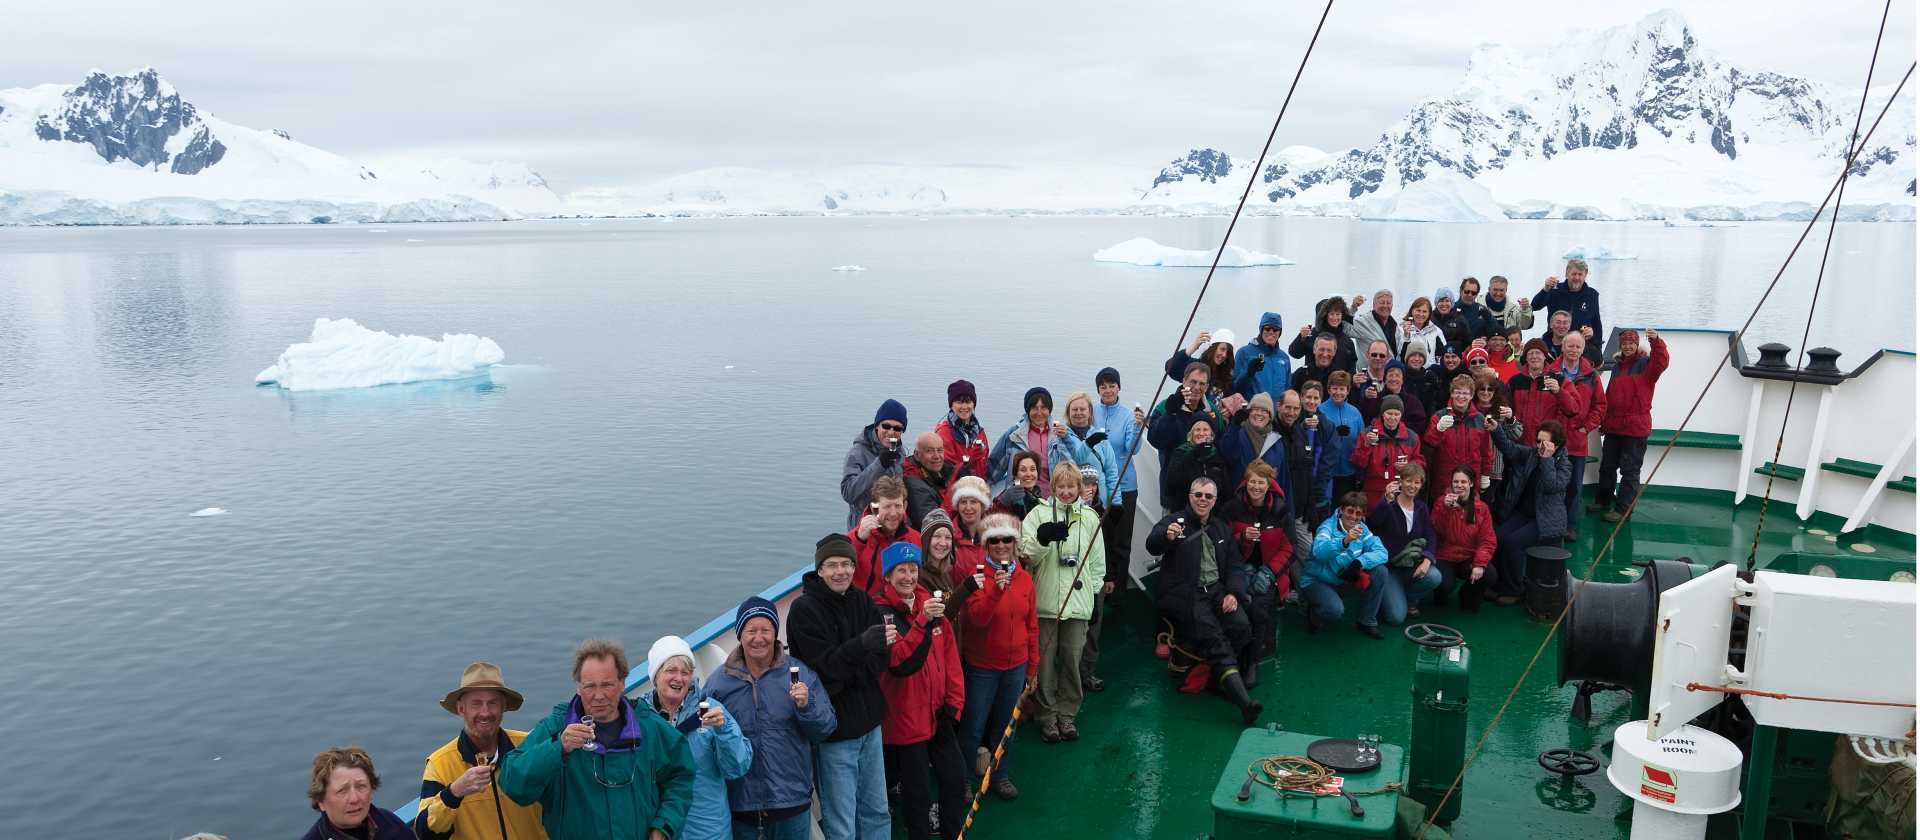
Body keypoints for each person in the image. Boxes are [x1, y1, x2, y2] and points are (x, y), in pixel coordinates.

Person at [498, 641, 694, 840]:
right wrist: (559, 747)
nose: (599, 696)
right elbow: (513, 783)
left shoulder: (651, 729)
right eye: (590, 686)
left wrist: (664, 825)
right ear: (578, 688)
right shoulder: (556, 728)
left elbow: (680, 778)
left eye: (607, 685)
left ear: (622, 683)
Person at [785, 535, 894, 840]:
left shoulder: (862, 601)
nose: (840, 572)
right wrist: (860, 647)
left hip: (870, 725)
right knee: (841, 822)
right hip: (835, 733)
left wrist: (852, 663)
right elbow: (822, 668)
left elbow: (881, 657)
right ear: (819, 570)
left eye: (846, 564)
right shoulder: (804, 611)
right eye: (831, 565)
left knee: (877, 810)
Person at [705, 600, 837, 840]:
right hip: (740, 806)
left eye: (765, 630)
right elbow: (704, 743)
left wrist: (806, 707)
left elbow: (825, 729)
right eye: (751, 631)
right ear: (739, 635)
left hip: (791, 803)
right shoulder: (718, 684)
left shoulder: (800, 674)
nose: (759, 638)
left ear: (775, 633)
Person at [1144, 476, 1263, 724]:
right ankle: (1244, 704)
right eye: (1198, 494)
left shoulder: (1220, 528)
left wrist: (1233, 593)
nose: (1202, 500)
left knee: (1241, 625)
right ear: (1190, 496)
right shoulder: (1174, 522)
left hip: (1217, 590)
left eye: (1208, 496)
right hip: (1186, 593)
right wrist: (1166, 536)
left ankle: (1215, 678)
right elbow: (1152, 544)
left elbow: (1235, 565)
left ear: (1214, 501)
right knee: (1215, 638)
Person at [873, 544, 968, 840]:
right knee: (917, 794)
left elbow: (951, 658)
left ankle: (952, 833)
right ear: (887, 576)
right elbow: (898, 661)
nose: (908, 576)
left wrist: (954, 702)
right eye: (901, 570)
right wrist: (923, 621)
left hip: (938, 712)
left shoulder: (930, 605)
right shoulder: (881, 615)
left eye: (913, 569)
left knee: (955, 779)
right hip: (906, 720)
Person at [1019, 463, 1106, 743]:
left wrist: (1093, 598)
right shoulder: (1037, 515)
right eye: (1061, 487)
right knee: (1044, 665)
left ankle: (1067, 714)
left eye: (1072, 487)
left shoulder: (1091, 517)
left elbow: (1097, 564)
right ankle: (1047, 717)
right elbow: (1025, 556)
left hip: (1078, 604)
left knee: (1071, 660)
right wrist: (1043, 540)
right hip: (1044, 604)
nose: (1067, 492)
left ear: (1080, 488)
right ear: (1053, 488)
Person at [417, 662, 546, 840]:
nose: (485, 713)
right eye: (476, 704)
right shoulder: (440, 763)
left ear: (503, 707)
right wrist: (454, 792)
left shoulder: (529, 746)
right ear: (461, 709)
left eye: (492, 703)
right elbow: (425, 832)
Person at [959, 512, 1038, 801]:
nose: (1001, 545)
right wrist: (996, 591)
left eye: (1007, 539)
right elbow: (977, 620)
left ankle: (999, 775)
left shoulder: (1026, 580)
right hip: (982, 667)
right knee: (973, 726)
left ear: (1015, 544)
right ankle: (964, 779)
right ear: (986, 545)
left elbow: (1031, 625)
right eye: (994, 540)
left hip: (1016, 667)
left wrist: (1033, 667)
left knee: (1007, 726)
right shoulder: (977, 578)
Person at [642, 638, 752, 840]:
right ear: (655, 676)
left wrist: (724, 730)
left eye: (685, 672)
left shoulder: (710, 710)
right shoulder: (640, 718)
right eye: (670, 671)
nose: (679, 678)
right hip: (660, 831)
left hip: (708, 831)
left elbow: (737, 767)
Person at [1219, 461, 1295, 681]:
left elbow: (1289, 548)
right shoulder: (1232, 509)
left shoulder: (1280, 511)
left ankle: (1252, 662)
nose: (1256, 487)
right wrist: (1241, 538)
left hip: (1269, 572)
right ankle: (1236, 654)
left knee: (1260, 608)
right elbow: (1221, 542)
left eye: (1261, 482)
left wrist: (1270, 572)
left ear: (1269, 484)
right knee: (1240, 606)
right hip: (1238, 569)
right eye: (1252, 481)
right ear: (1246, 482)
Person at [1488, 417, 1574, 606]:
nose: (1539, 446)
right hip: (1524, 513)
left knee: (1512, 543)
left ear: (1556, 445)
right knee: (1498, 538)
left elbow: (1552, 486)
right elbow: (1510, 449)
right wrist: (1496, 430)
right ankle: (1502, 583)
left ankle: (1515, 589)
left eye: (1544, 442)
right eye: (1537, 441)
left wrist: (1547, 460)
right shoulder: (1531, 454)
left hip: (1545, 519)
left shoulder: (1565, 465)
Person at [1593, 328, 1668, 522]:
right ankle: (1604, 500)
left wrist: (1656, 341)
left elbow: (1661, 363)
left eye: (1631, 343)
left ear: (1636, 344)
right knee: (1607, 466)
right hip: (1614, 426)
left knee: (1630, 470)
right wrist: (1604, 420)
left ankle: (1623, 509)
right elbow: (1610, 395)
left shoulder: (1645, 364)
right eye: (1624, 343)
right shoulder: (1617, 367)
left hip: (1635, 428)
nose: (1627, 346)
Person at [1302, 491, 1393, 638]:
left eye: (1358, 513)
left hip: (1343, 579)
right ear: (1341, 510)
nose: (1353, 517)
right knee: (1334, 610)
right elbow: (1319, 552)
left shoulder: (1362, 528)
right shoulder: (1327, 527)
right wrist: (1344, 541)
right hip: (1318, 581)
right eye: (1350, 511)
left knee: (1380, 571)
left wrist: (1359, 563)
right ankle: (1313, 610)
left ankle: (1366, 621)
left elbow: (1382, 552)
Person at [1363, 463, 1444, 624]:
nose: (1412, 486)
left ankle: (1408, 598)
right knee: (1395, 618)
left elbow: (1431, 535)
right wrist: (1385, 501)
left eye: (1417, 482)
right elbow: (1372, 525)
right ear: (1400, 482)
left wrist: (1427, 560)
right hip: (1389, 568)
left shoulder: (1421, 508)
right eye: (1408, 481)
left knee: (1434, 576)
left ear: (1421, 485)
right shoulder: (1389, 505)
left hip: (1410, 566)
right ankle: (1396, 597)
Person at [987, 387, 1098, 497]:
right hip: (1020, 498)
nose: (1039, 413)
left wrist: (1066, 439)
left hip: (1051, 499)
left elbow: (1073, 464)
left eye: (1043, 408)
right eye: (1034, 408)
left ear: (1049, 410)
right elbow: (995, 466)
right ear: (1028, 410)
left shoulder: (1059, 434)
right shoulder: (1014, 435)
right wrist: (983, 489)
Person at [1551, 331, 1606, 540]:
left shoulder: (1591, 376)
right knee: (1552, 484)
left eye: (1578, 347)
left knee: (1574, 486)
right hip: (1553, 440)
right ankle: (1551, 523)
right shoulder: (1551, 372)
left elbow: (1600, 405)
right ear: (1562, 347)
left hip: (1577, 440)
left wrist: (1587, 427)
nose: (1573, 350)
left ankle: (1569, 526)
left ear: (1583, 350)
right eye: (1570, 346)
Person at [306, 746, 414, 840]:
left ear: (371, 791)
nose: (355, 799)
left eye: (361, 786)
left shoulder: (389, 823)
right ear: (321, 801)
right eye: (342, 791)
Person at [1431, 467, 1497, 612]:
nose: (1459, 485)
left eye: (1463, 482)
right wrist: (1446, 510)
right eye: (1455, 482)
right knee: (1443, 587)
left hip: (1468, 556)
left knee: (1489, 574)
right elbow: (1436, 531)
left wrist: (1479, 564)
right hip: (1445, 555)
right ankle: (1442, 593)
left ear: (1471, 483)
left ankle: (1467, 593)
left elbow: (1487, 540)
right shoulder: (1441, 502)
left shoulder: (1482, 508)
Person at [1424, 375, 1493, 504]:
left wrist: (1485, 475)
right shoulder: (1439, 416)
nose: (1461, 396)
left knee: (1469, 518)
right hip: (1444, 480)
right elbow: (1429, 444)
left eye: (1465, 393)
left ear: (1472, 395)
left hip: (1470, 479)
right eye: (1457, 392)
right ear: (1451, 394)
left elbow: (1485, 452)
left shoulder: (1479, 419)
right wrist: (1438, 430)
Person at [849, 476, 922, 597]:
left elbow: (919, 584)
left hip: (900, 610)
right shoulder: (857, 538)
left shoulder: (915, 539)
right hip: (862, 609)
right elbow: (841, 571)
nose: (893, 513)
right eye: (887, 506)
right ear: (874, 508)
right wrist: (859, 540)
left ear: (905, 506)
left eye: (898, 506)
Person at [1350, 395, 1425, 508]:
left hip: (1401, 490)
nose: (1392, 417)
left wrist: (1408, 466)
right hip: (1373, 491)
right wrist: (1366, 445)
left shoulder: (1411, 437)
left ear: (1401, 415)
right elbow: (1358, 463)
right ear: (1382, 414)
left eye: (1396, 414)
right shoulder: (1368, 434)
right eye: (1389, 413)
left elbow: (1420, 462)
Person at [843, 400, 908, 528]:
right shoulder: (857, 453)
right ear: (877, 425)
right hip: (864, 526)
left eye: (897, 428)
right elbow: (848, 493)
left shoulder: (900, 453)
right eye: (886, 426)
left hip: (893, 524)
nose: (891, 432)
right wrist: (879, 465)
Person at [918, 509, 977, 646]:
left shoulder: (945, 573)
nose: (943, 543)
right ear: (926, 539)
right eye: (937, 536)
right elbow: (938, 619)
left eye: (948, 537)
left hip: (952, 650)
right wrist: (965, 589)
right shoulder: (919, 576)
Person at [1531, 259, 1603, 360]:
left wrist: (1597, 347)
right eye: (1574, 274)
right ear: (1566, 274)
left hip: (1579, 348)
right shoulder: (1555, 290)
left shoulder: (1592, 294)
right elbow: (1534, 306)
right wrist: (1545, 289)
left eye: (1580, 274)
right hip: (1555, 345)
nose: (1577, 278)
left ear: (1585, 275)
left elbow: (1597, 324)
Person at [1062, 390, 1121, 509]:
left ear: (1090, 412)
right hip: (1071, 503)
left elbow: (1111, 472)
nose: (1078, 413)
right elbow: (1069, 464)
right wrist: (1088, 443)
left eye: (1082, 409)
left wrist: (1116, 502)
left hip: (1100, 503)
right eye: (1074, 409)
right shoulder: (1062, 437)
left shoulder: (1100, 438)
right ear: (1068, 413)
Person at [1164, 417, 1232, 512]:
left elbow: (1226, 490)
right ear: (1191, 434)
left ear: (1212, 435)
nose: (1201, 433)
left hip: (1212, 514)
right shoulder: (1180, 453)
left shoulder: (1218, 455)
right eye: (1197, 429)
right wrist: (1194, 453)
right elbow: (1171, 483)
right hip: (1183, 510)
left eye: (1205, 430)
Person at [1165, 328, 1251, 402]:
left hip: (1215, 420)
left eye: (1228, 352)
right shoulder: (1196, 367)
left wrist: (1228, 409)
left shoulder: (1226, 376)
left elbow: (1232, 395)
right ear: (1213, 348)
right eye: (1222, 349)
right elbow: (1171, 368)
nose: (1224, 355)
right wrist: (1193, 346)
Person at [1219, 391, 1286, 484]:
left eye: (1264, 411)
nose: (1259, 413)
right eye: (1255, 409)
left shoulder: (1277, 442)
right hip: (1240, 495)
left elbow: (1284, 478)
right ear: (1248, 412)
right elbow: (1228, 454)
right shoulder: (1238, 432)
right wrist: (1235, 425)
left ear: (1270, 416)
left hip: (1269, 497)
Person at [1320, 372, 1365, 501]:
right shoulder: (1320, 411)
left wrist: (1359, 472)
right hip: (1327, 473)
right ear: (1328, 389)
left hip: (1349, 472)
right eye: (1334, 388)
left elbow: (1361, 442)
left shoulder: (1355, 413)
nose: (1338, 392)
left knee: (1346, 508)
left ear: (1348, 390)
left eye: (1342, 389)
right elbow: (1315, 440)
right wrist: (1334, 433)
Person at [934, 380, 990, 480]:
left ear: (974, 404)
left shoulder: (979, 432)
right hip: (956, 490)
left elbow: (984, 465)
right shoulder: (944, 434)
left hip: (978, 488)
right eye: (959, 402)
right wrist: (973, 456)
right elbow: (945, 470)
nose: (964, 407)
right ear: (951, 405)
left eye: (968, 402)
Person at [1289, 297, 1359, 372]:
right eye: (1331, 314)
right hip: (1314, 381)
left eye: (1338, 314)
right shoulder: (1311, 334)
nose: (1335, 318)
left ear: (1342, 316)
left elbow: (1352, 368)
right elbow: (1294, 354)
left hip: (1337, 383)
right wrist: (1301, 338)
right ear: (1324, 316)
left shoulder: (1347, 341)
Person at [1236, 312, 1294, 403]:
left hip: (1276, 414)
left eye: (1275, 329)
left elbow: (1287, 390)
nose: (1271, 332)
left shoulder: (1284, 358)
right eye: (1267, 329)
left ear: (1280, 333)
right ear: (1261, 330)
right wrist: (1248, 373)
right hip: (1253, 411)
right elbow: (1235, 388)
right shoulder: (1244, 353)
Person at [904, 432, 958, 528]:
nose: (937, 456)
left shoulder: (943, 471)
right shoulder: (913, 484)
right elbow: (933, 525)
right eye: (929, 451)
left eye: (940, 450)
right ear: (916, 454)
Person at [1346, 290, 1399, 365]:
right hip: (1367, 374)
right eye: (1382, 303)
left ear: (1392, 305)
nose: (1385, 306)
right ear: (1374, 305)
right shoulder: (1363, 322)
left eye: (1388, 303)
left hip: (1389, 374)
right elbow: (1346, 329)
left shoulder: (1395, 326)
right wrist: (1353, 308)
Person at [993, 452, 1044, 518]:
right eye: (1023, 470)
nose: (1028, 474)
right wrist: (1002, 504)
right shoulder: (1009, 495)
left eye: (1032, 469)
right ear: (1015, 475)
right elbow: (990, 518)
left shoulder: (1039, 496)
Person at [1399, 297, 1444, 367]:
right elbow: (1398, 354)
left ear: (1429, 314)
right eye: (1418, 310)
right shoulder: (1401, 329)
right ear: (1412, 311)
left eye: (1424, 311)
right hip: (1409, 372)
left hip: (1429, 373)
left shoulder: (1436, 331)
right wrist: (1406, 337)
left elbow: (1443, 354)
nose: (1421, 314)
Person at [1432, 287, 1474, 352]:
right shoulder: (1430, 318)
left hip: (1454, 358)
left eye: (1447, 301)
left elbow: (1468, 342)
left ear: (1451, 303)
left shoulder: (1460, 319)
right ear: (1436, 302)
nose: (1444, 304)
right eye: (1441, 301)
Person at [1352, 340, 1393, 405]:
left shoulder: (1392, 380)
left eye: (1382, 355)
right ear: (1367, 355)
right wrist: (1353, 386)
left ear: (1387, 358)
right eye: (1374, 355)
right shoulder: (1358, 381)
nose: (1377, 358)